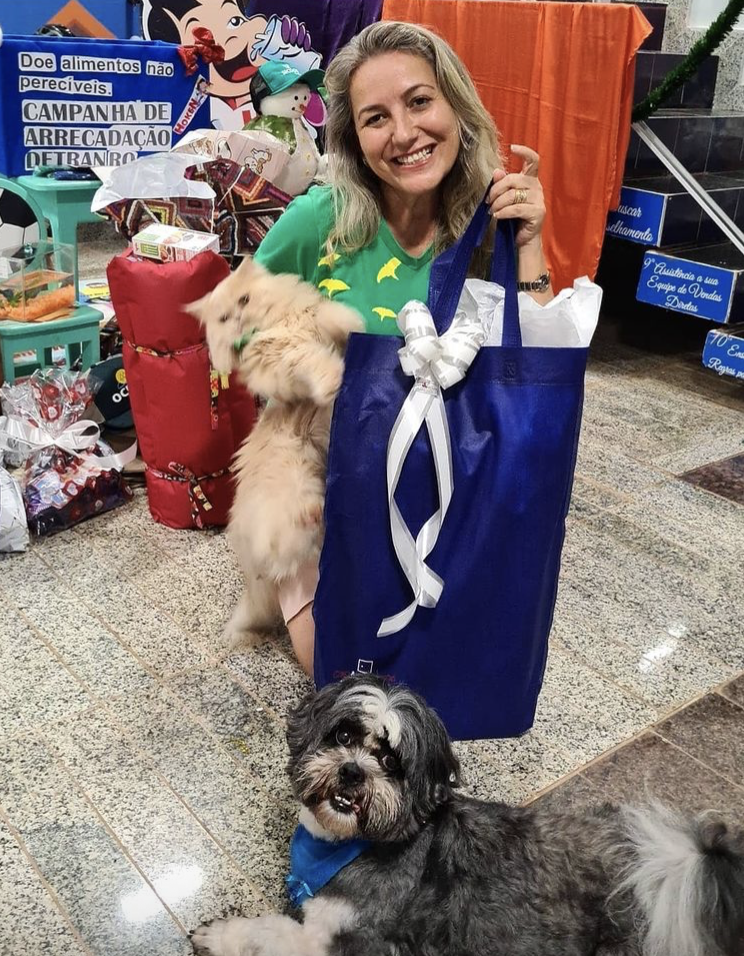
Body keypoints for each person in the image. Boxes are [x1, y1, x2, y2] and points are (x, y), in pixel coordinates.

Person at [253, 20, 551, 677]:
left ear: (457, 108)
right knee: (341, 674)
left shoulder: (489, 224)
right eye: (376, 118)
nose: (404, 132)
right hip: (325, 484)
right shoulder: (320, 219)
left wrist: (529, 246)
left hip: (445, 481)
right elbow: (242, 319)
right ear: (355, 141)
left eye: (420, 101)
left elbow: (529, 372)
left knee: (450, 670)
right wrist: (311, 373)